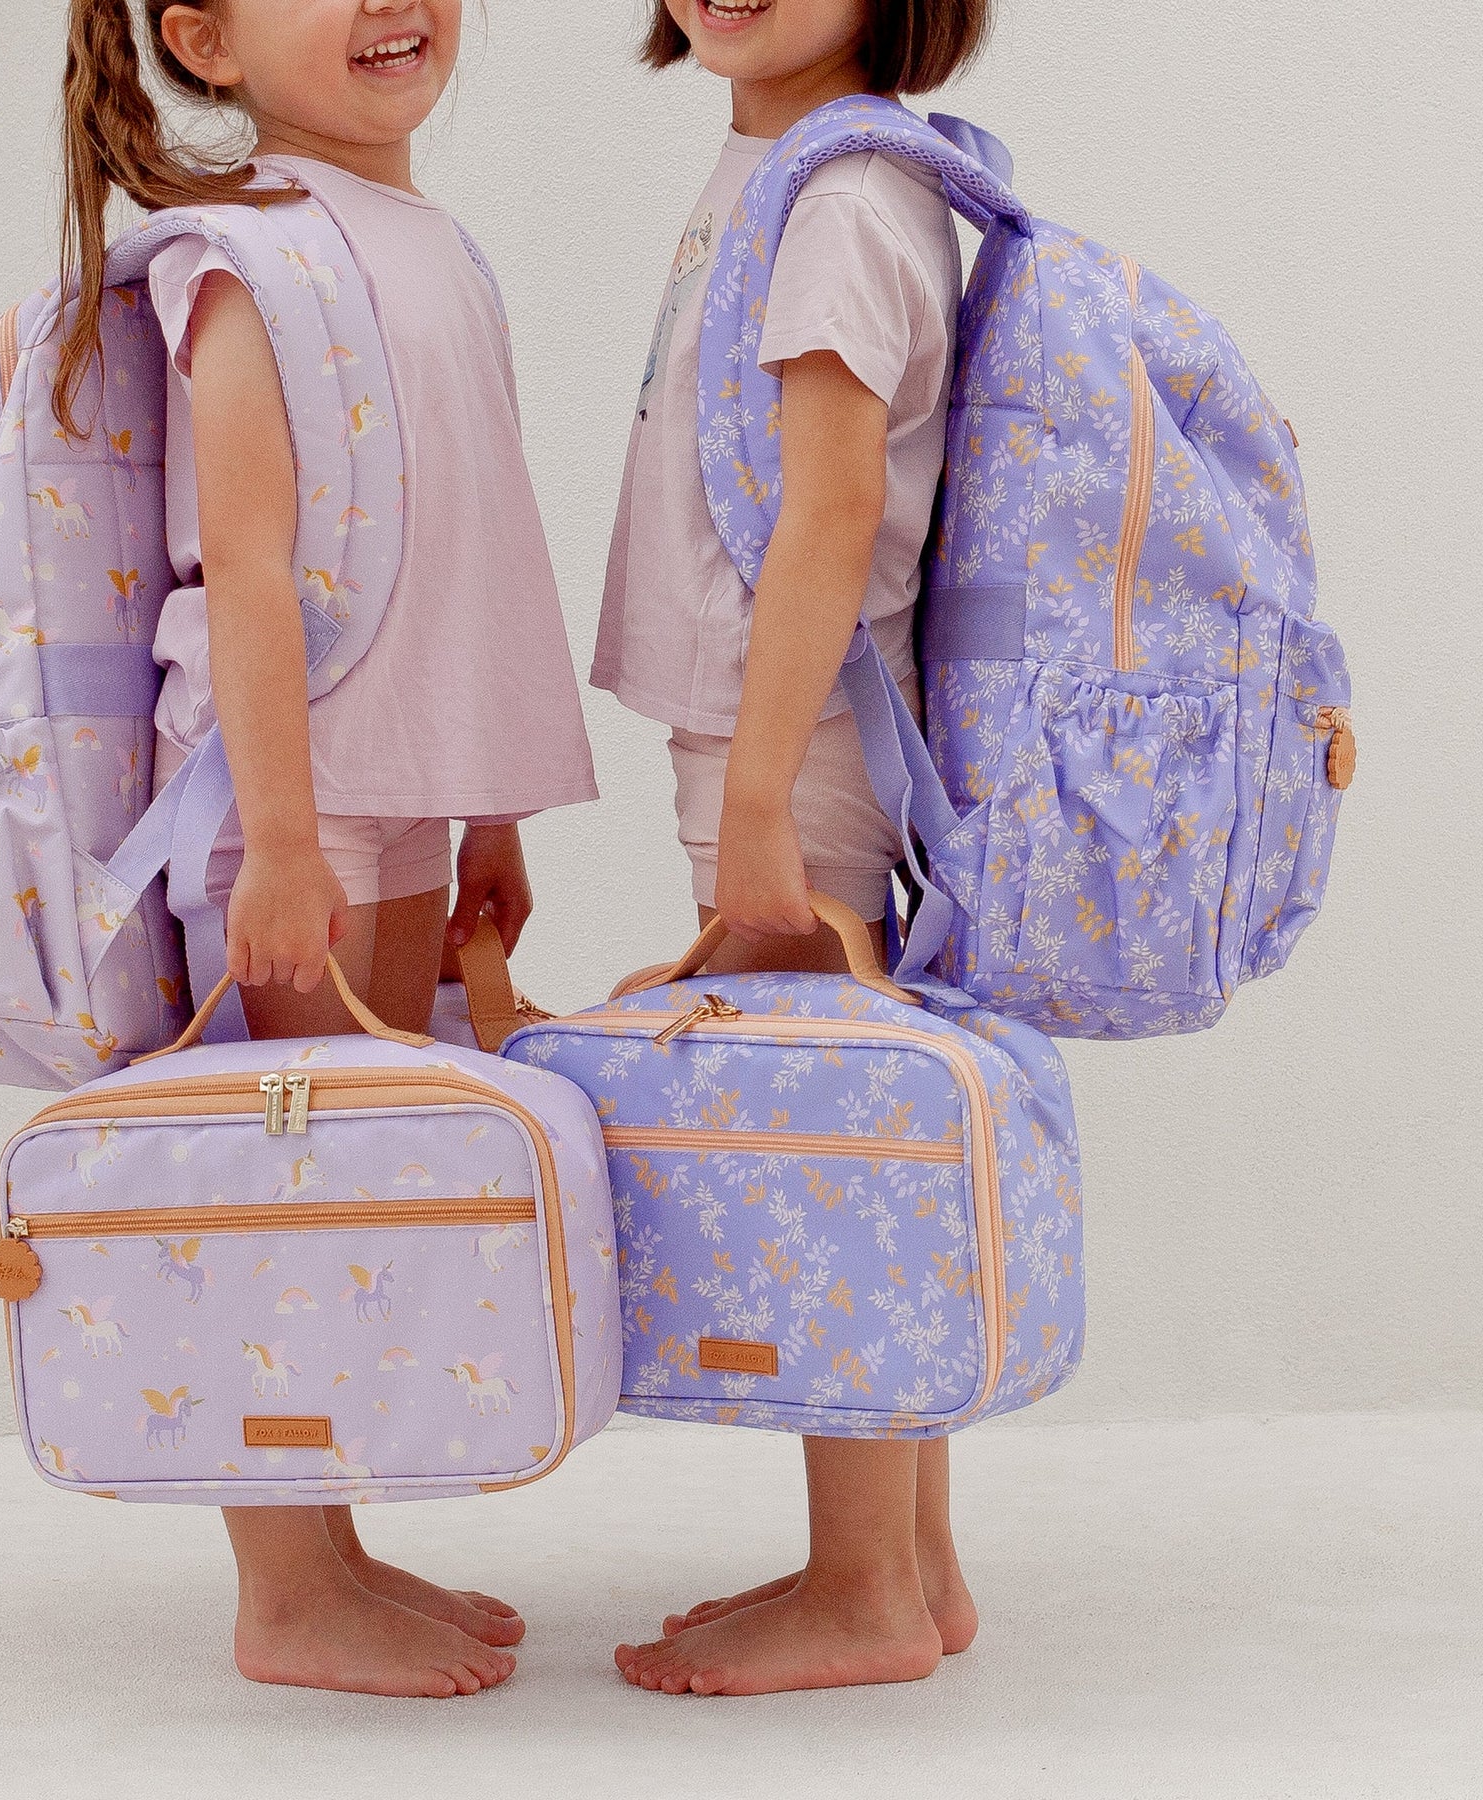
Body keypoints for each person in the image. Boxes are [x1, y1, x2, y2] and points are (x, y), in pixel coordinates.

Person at [56, 0, 596, 1696]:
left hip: (403, 783)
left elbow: (467, 546)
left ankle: (336, 1549)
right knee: (281, 1187)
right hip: (282, 801)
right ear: (204, 41)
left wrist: (487, 802)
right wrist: (281, 844)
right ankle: (284, 1594)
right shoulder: (241, 259)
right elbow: (250, 568)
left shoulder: (436, 246)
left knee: (356, 1169)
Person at [594, 0, 990, 1695]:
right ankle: (913, 1565)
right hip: (793, 724)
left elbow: (830, 508)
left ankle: (863, 1588)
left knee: (830, 1152)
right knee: (851, 1125)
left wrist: (757, 798)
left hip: (797, 735)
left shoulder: (837, 200)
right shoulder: (806, 167)